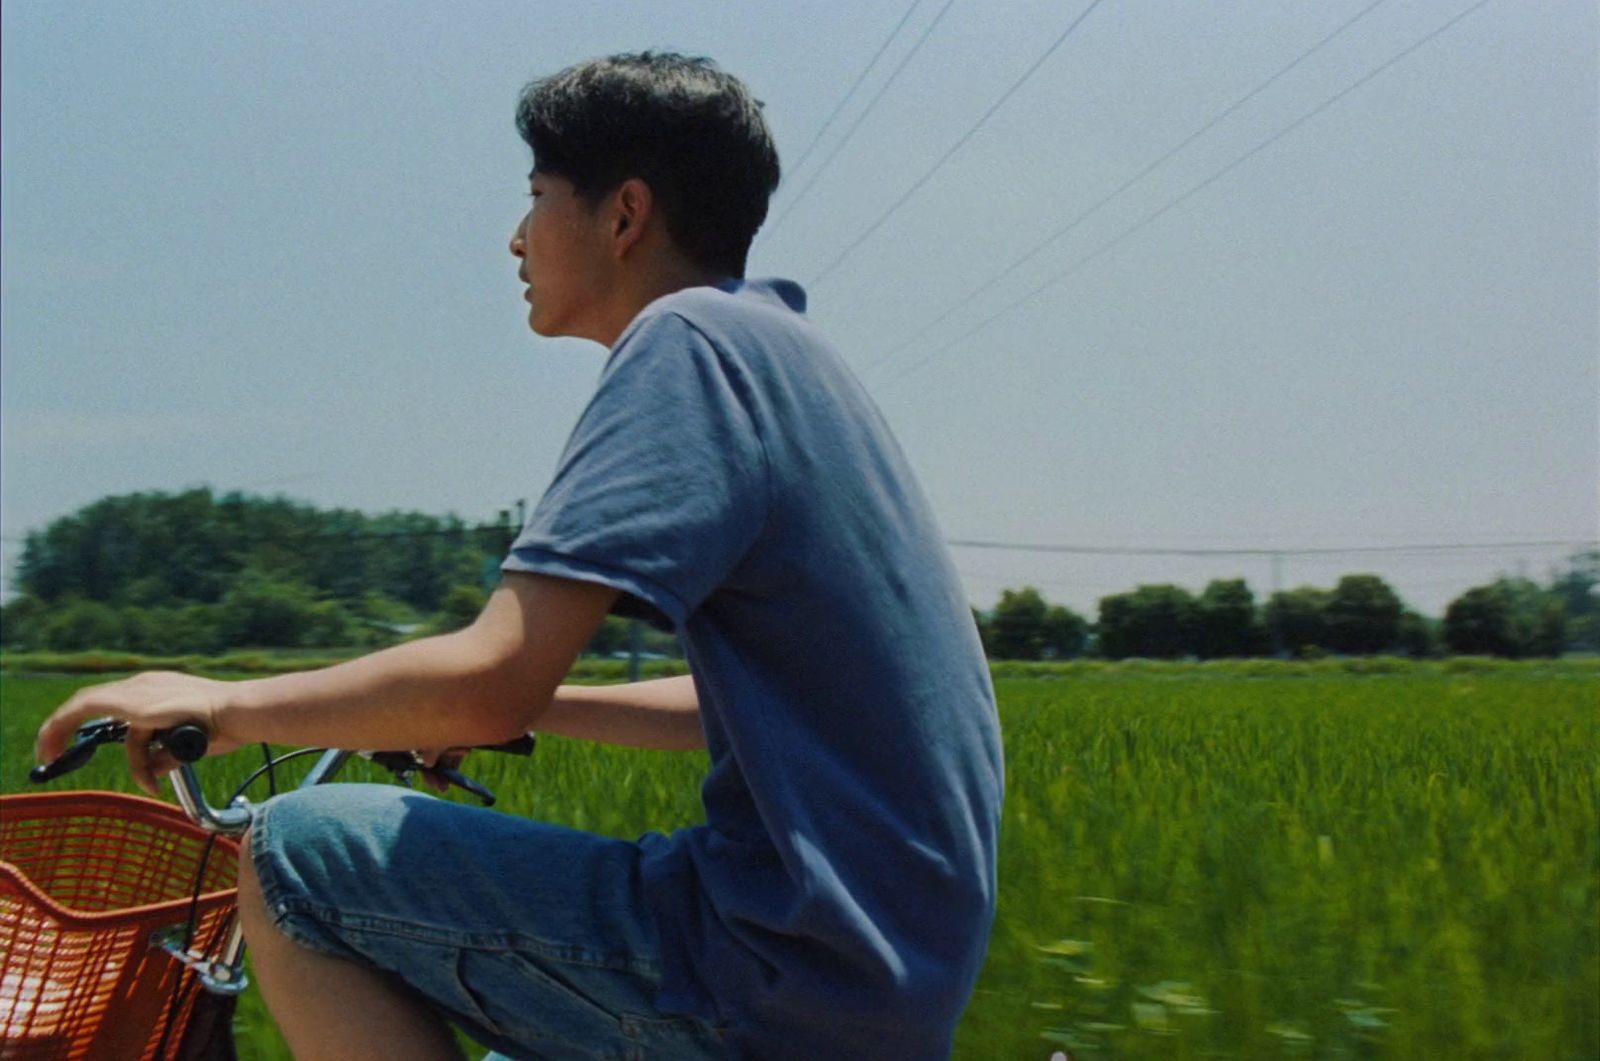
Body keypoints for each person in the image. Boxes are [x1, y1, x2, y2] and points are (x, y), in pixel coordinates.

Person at [36, 52, 1003, 1060]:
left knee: (295, 855)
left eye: (538, 196)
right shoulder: (785, 352)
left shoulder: (686, 342)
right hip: (876, 978)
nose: (516, 235)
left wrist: (223, 702)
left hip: (771, 969)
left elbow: (491, 674)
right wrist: (530, 707)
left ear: (623, 215)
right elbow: (744, 701)